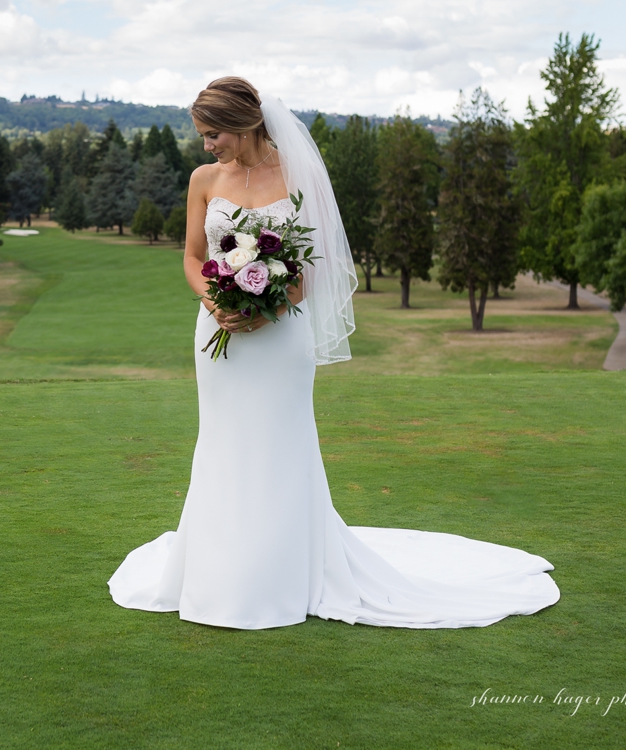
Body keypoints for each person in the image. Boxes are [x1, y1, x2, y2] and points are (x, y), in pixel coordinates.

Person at [106, 76, 559, 628]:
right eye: (203, 135)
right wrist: (216, 299)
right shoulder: (204, 180)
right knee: (223, 445)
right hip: (217, 337)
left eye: (212, 133)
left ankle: (284, 574)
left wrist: (263, 310)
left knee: (280, 446)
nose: (207, 146)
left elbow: (312, 269)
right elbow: (192, 256)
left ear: (244, 122)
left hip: (281, 336)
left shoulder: (299, 176)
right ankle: (218, 572)